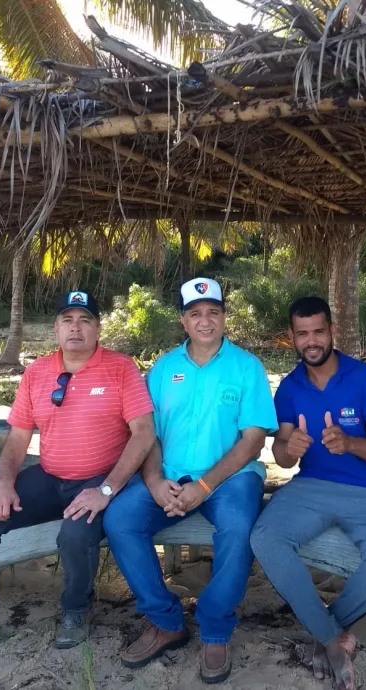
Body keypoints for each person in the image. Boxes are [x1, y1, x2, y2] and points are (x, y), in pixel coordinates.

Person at [0, 290, 156, 660]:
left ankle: (75, 610)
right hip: (49, 478)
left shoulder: (120, 368)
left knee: (75, 533)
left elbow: (143, 432)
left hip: (99, 480)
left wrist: (107, 489)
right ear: (56, 329)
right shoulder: (36, 372)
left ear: (98, 329)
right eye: (68, 320)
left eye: (85, 320)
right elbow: (18, 437)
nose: (76, 328)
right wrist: (4, 485)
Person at [104, 277, 278, 684]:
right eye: (195, 314)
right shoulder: (164, 368)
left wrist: (203, 488)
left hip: (231, 477)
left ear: (224, 317)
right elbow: (149, 434)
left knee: (238, 527)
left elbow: (252, 441)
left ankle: (215, 629)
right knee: (120, 520)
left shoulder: (247, 367)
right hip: (168, 475)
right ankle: (166, 620)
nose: (205, 321)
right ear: (183, 321)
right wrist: (153, 482)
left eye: (213, 312)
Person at [250, 296, 366, 690]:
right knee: (265, 538)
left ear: (332, 331)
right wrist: (292, 448)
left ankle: (326, 632)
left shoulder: (363, 378)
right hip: (310, 488)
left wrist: (351, 444)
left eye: (319, 331)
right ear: (291, 337)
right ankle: (333, 641)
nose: (312, 341)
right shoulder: (288, 388)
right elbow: (283, 457)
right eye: (302, 333)